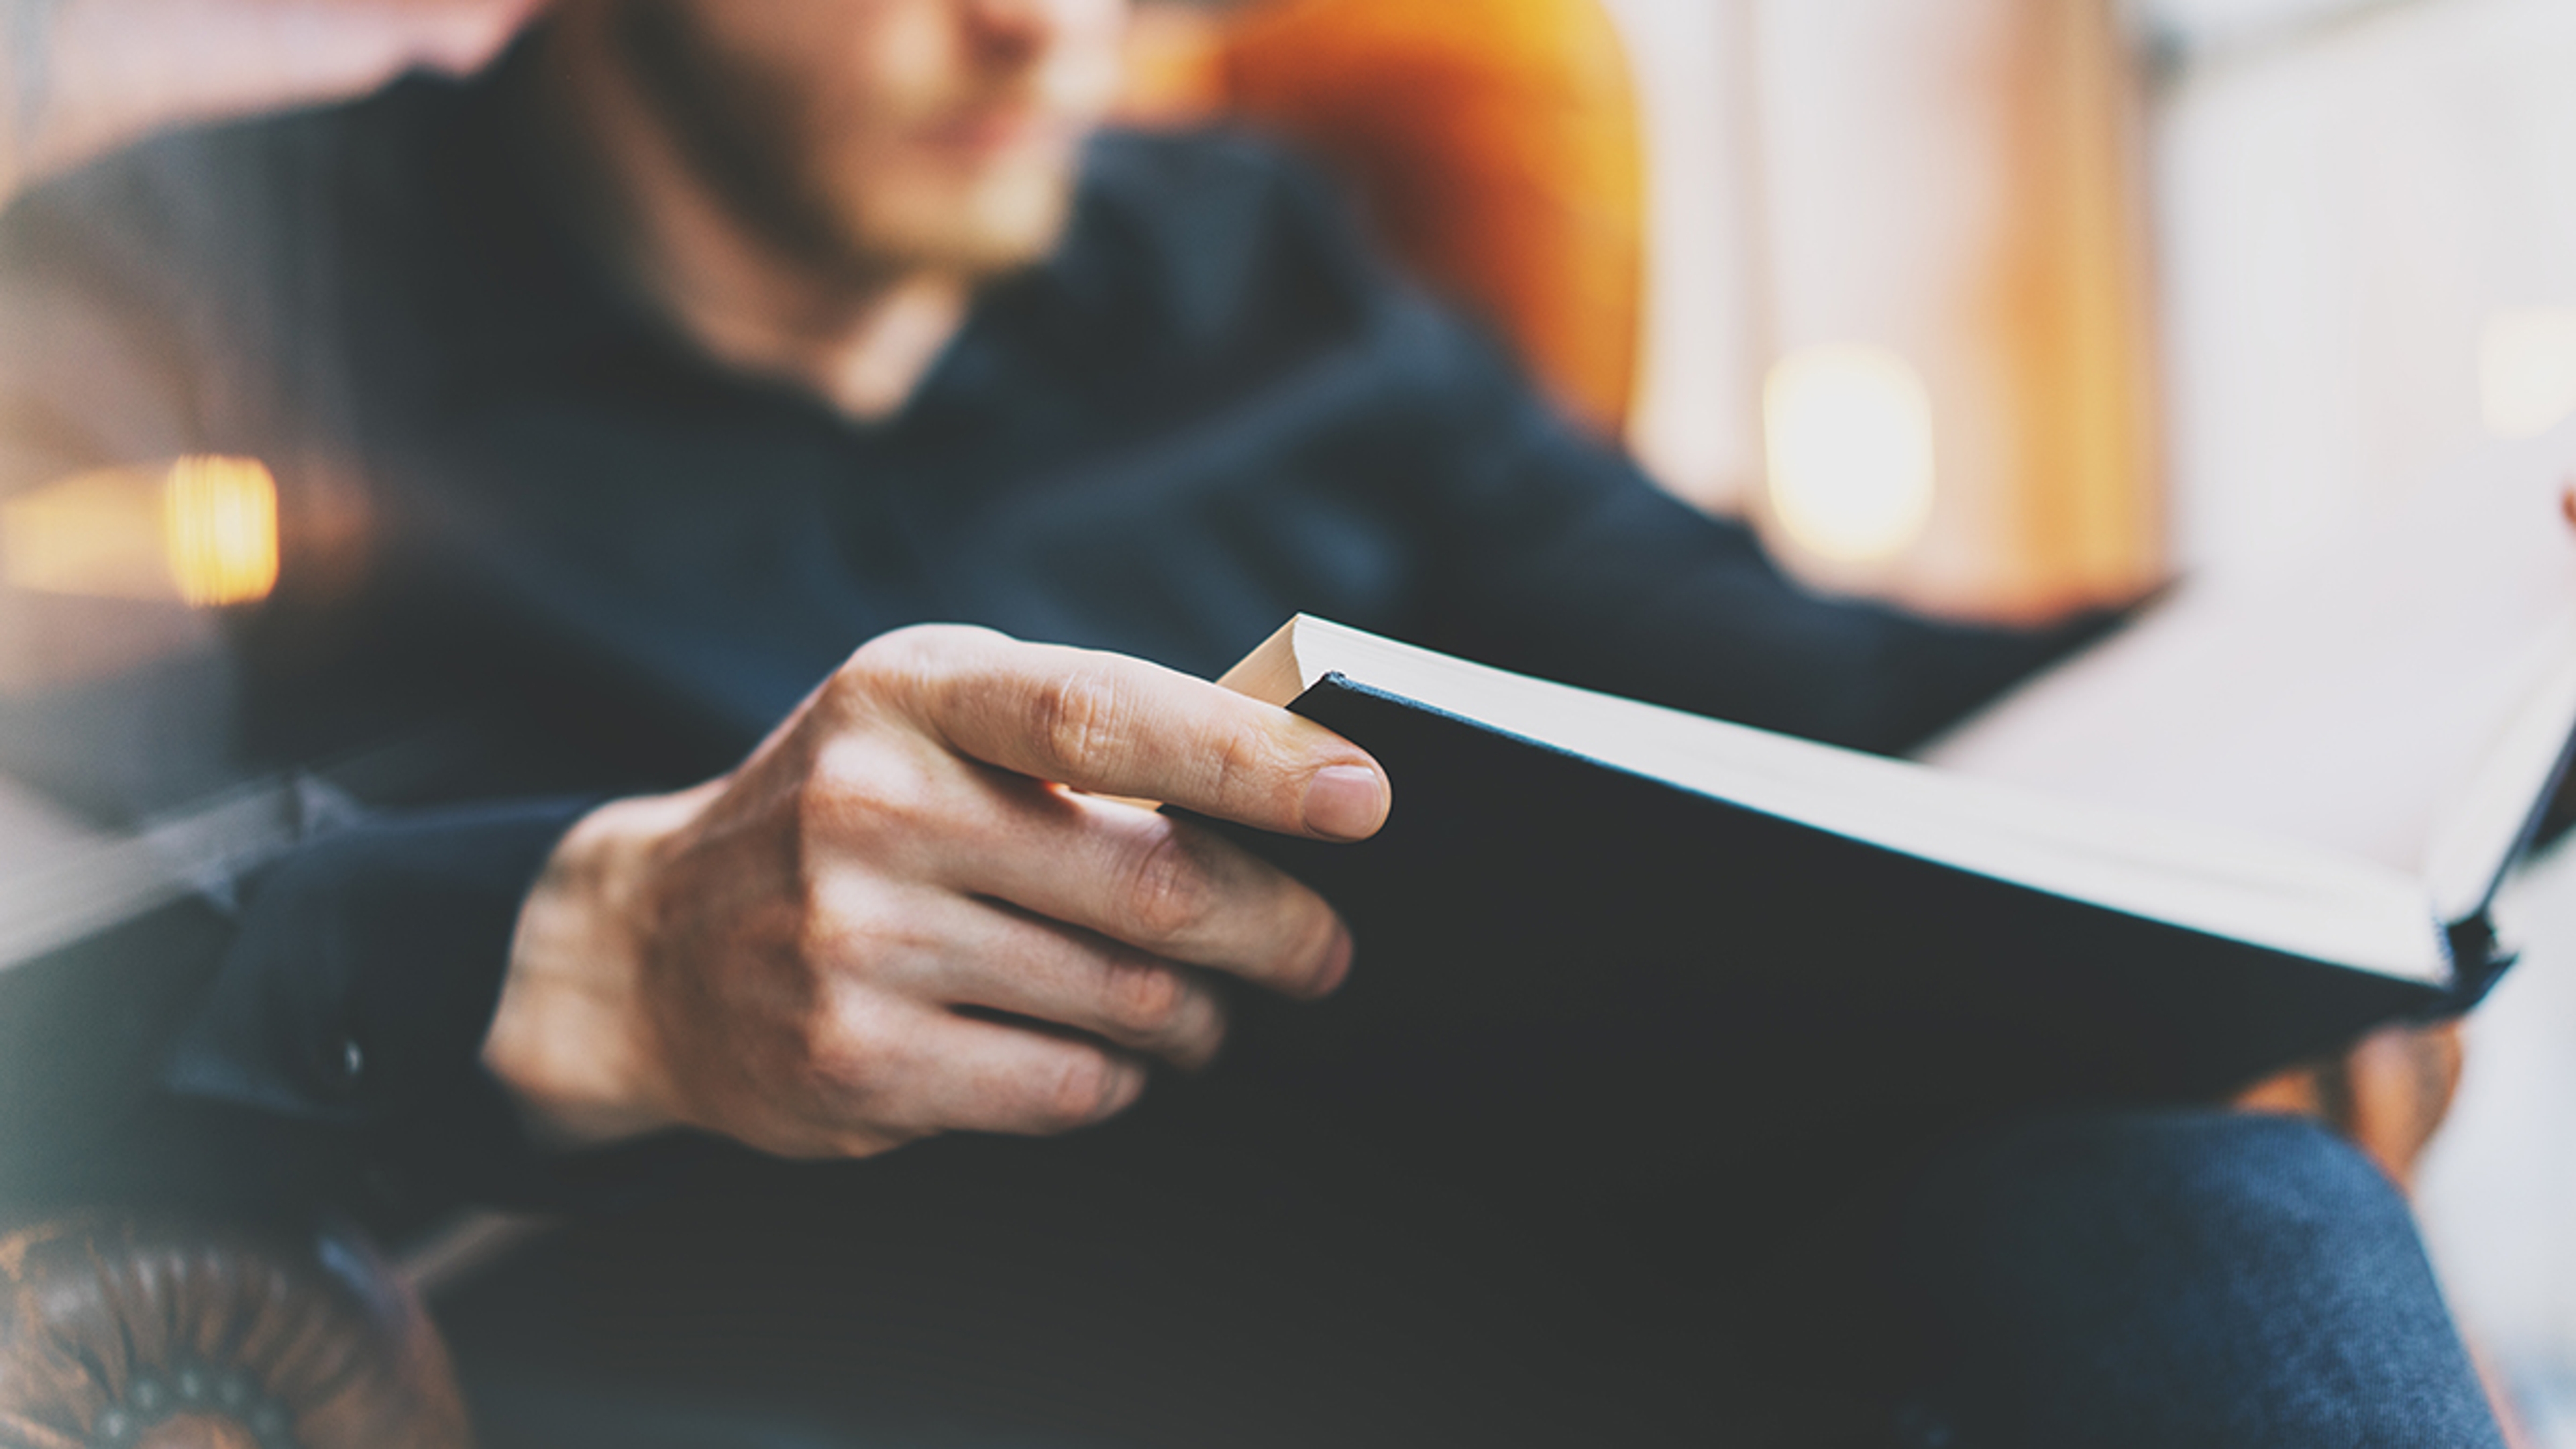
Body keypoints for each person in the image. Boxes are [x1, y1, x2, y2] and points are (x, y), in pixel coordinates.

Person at [0, 1, 2524, 1445]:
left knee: (2202, 1208)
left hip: (1498, 1320)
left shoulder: (1245, 268)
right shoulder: (163, 297)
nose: (1050, 32)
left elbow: (1821, 692)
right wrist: (609, 951)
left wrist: (2437, 644)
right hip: (773, 1372)